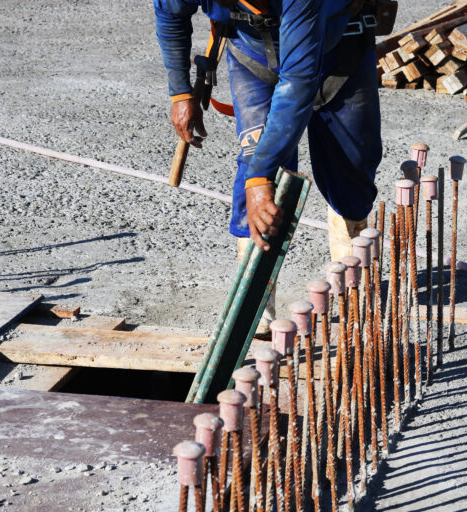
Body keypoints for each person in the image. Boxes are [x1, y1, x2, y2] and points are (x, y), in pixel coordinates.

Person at [155, 0, 382, 334]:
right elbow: (170, 15)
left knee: (350, 170)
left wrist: (260, 175)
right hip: (254, 56)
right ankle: (256, 310)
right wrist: (180, 92)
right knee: (255, 165)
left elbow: (298, 84)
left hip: (340, 51)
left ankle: (352, 287)